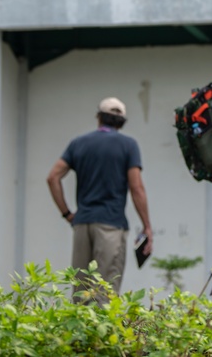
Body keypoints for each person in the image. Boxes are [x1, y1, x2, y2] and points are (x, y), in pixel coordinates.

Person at [47, 96, 152, 302]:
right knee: (105, 292)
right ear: (121, 122)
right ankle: (102, 335)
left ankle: (79, 334)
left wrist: (68, 214)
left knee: (81, 291)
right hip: (111, 225)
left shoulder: (78, 143)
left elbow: (53, 177)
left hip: (82, 225)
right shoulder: (128, 145)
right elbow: (136, 187)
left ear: (99, 118)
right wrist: (147, 226)